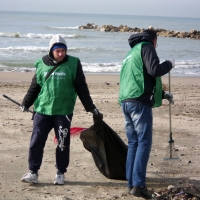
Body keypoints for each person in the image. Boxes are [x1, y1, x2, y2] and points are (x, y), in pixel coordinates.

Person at [20, 35, 103, 185]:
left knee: (63, 143)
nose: (60, 54)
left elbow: (81, 88)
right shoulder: (41, 63)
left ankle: (60, 172)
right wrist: (26, 103)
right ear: (51, 51)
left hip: (63, 112)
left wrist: (91, 108)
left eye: (63, 51)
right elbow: (35, 86)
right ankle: (33, 172)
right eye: (57, 51)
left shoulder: (74, 63)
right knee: (36, 142)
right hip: (42, 111)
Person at [118, 29, 175, 199]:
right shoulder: (147, 46)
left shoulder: (131, 53)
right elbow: (154, 70)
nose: (157, 45)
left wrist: (163, 95)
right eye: (157, 42)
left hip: (126, 102)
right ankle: (139, 185)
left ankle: (131, 183)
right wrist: (170, 64)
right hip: (139, 104)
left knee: (134, 143)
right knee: (144, 142)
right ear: (154, 39)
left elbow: (139, 78)